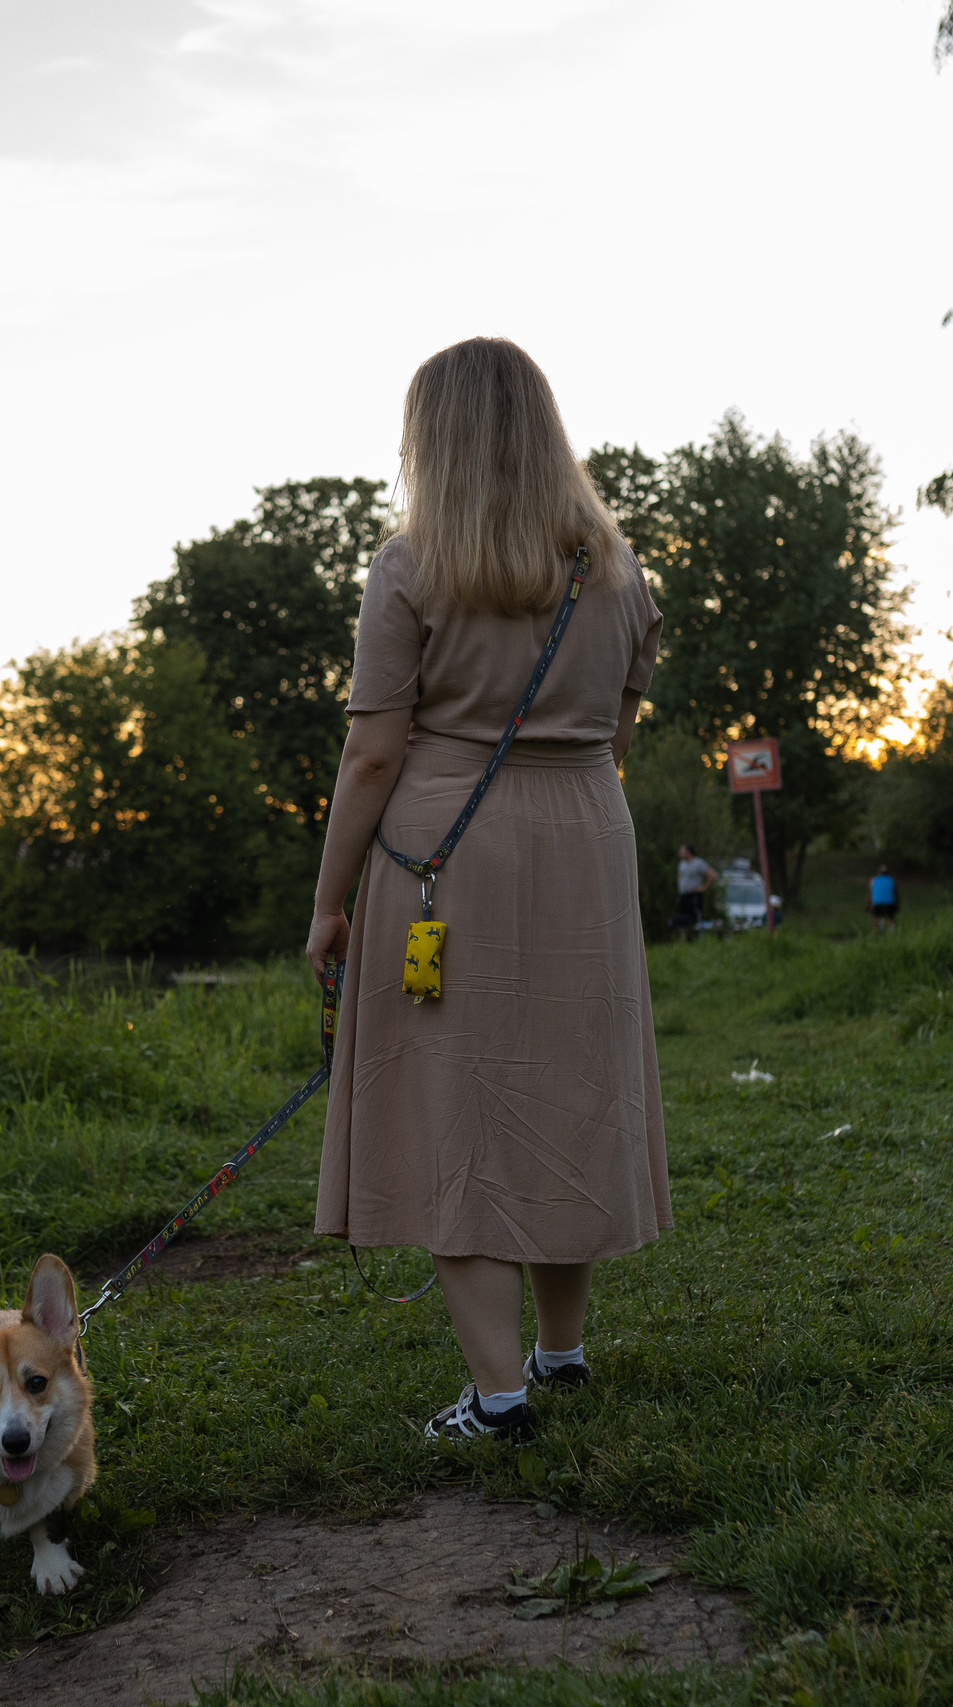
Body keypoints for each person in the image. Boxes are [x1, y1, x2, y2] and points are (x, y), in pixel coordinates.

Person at [306, 336, 670, 1445]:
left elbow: (374, 753)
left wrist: (328, 903)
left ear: (436, 440)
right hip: (587, 843)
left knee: (452, 1107)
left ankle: (499, 1398)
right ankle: (558, 1353)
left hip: (447, 857)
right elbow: (616, 734)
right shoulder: (616, 572)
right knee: (568, 1094)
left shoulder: (411, 568)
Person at [673, 844, 717, 940]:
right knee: (684, 917)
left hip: (694, 895)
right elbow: (679, 875)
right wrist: (681, 886)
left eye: (682, 851)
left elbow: (712, 875)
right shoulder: (682, 863)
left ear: (688, 852)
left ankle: (699, 938)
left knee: (696, 917)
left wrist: (703, 888)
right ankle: (685, 939)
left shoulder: (698, 863)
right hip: (683, 895)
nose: (680, 853)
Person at [869, 864, 899, 934]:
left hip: (877, 902)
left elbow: (870, 892)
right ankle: (892, 932)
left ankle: (877, 933)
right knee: (891, 918)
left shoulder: (873, 880)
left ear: (878, 872)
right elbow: (895, 893)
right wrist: (897, 904)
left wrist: (868, 904)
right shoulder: (892, 880)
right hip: (889, 902)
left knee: (876, 919)